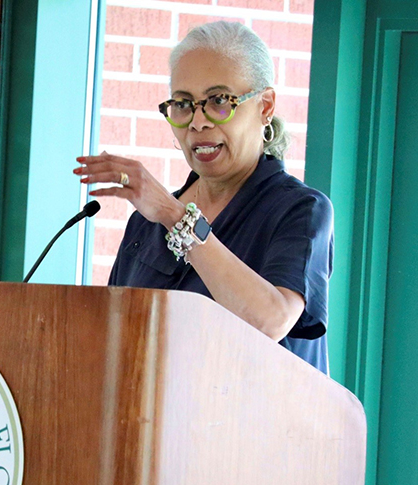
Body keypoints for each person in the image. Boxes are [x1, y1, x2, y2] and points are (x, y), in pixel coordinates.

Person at [73, 21, 333, 374]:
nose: (197, 123)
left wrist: (175, 218)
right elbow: (112, 339)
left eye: (218, 101)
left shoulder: (300, 210)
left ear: (266, 106)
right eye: (183, 104)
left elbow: (270, 321)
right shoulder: (147, 220)